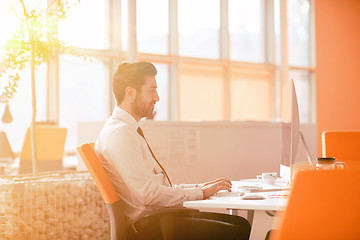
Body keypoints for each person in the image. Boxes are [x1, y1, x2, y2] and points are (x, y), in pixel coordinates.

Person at [95, 61, 251, 239]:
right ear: (130, 92)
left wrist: (200, 187)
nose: (157, 97)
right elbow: (147, 194)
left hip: (159, 218)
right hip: (152, 226)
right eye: (151, 89)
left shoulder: (126, 130)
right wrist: (200, 193)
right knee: (236, 231)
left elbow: (155, 187)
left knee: (240, 223)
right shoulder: (120, 133)